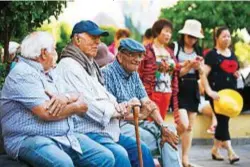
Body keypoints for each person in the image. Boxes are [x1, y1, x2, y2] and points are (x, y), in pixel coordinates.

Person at [0, 31, 115, 167]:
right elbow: (47, 112)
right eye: (54, 49)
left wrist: (65, 97)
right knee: (63, 164)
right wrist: (76, 107)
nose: (56, 52)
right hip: (28, 138)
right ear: (43, 53)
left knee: (105, 158)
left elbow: (79, 96)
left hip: (63, 135)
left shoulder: (51, 71)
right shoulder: (22, 74)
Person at [56, 20, 155, 167]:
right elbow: (89, 107)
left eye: (99, 38)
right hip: (87, 130)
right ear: (77, 39)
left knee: (142, 150)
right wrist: (118, 110)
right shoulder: (69, 66)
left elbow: (106, 96)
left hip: (106, 130)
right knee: (120, 155)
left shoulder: (88, 65)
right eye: (93, 38)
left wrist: (121, 106)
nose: (98, 42)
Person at [103, 38, 182, 167]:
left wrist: (162, 126)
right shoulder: (107, 74)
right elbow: (113, 113)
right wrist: (141, 115)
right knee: (152, 139)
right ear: (120, 56)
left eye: (139, 55)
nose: (137, 59)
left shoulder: (133, 74)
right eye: (132, 55)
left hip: (136, 121)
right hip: (118, 124)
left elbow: (147, 102)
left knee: (169, 130)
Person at [202, 26, 240, 164]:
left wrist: (236, 74)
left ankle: (215, 150)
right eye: (224, 36)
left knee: (224, 121)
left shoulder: (232, 53)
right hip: (217, 95)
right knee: (222, 121)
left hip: (231, 95)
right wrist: (210, 92)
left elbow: (235, 70)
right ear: (216, 38)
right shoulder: (212, 55)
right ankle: (231, 152)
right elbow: (203, 74)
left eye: (229, 36)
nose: (227, 39)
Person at [170, 19, 204, 167]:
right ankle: (167, 138)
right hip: (179, 88)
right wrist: (189, 65)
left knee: (190, 127)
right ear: (184, 35)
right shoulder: (175, 47)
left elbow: (201, 74)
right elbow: (177, 73)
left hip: (193, 89)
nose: (192, 40)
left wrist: (198, 67)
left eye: (195, 37)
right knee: (183, 124)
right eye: (190, 36)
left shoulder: (198, 51)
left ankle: (185, 159)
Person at [139, 19, 178, 121]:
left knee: (161, 124)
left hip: (166, 93)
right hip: (151, 92)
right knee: (149, 123)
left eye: (170, 32)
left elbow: (175, 72)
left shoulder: (170, 52)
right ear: (157, 31)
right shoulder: (146, 50)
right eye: (166, 31)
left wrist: (188, 65)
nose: (168, 35)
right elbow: (139, 71)